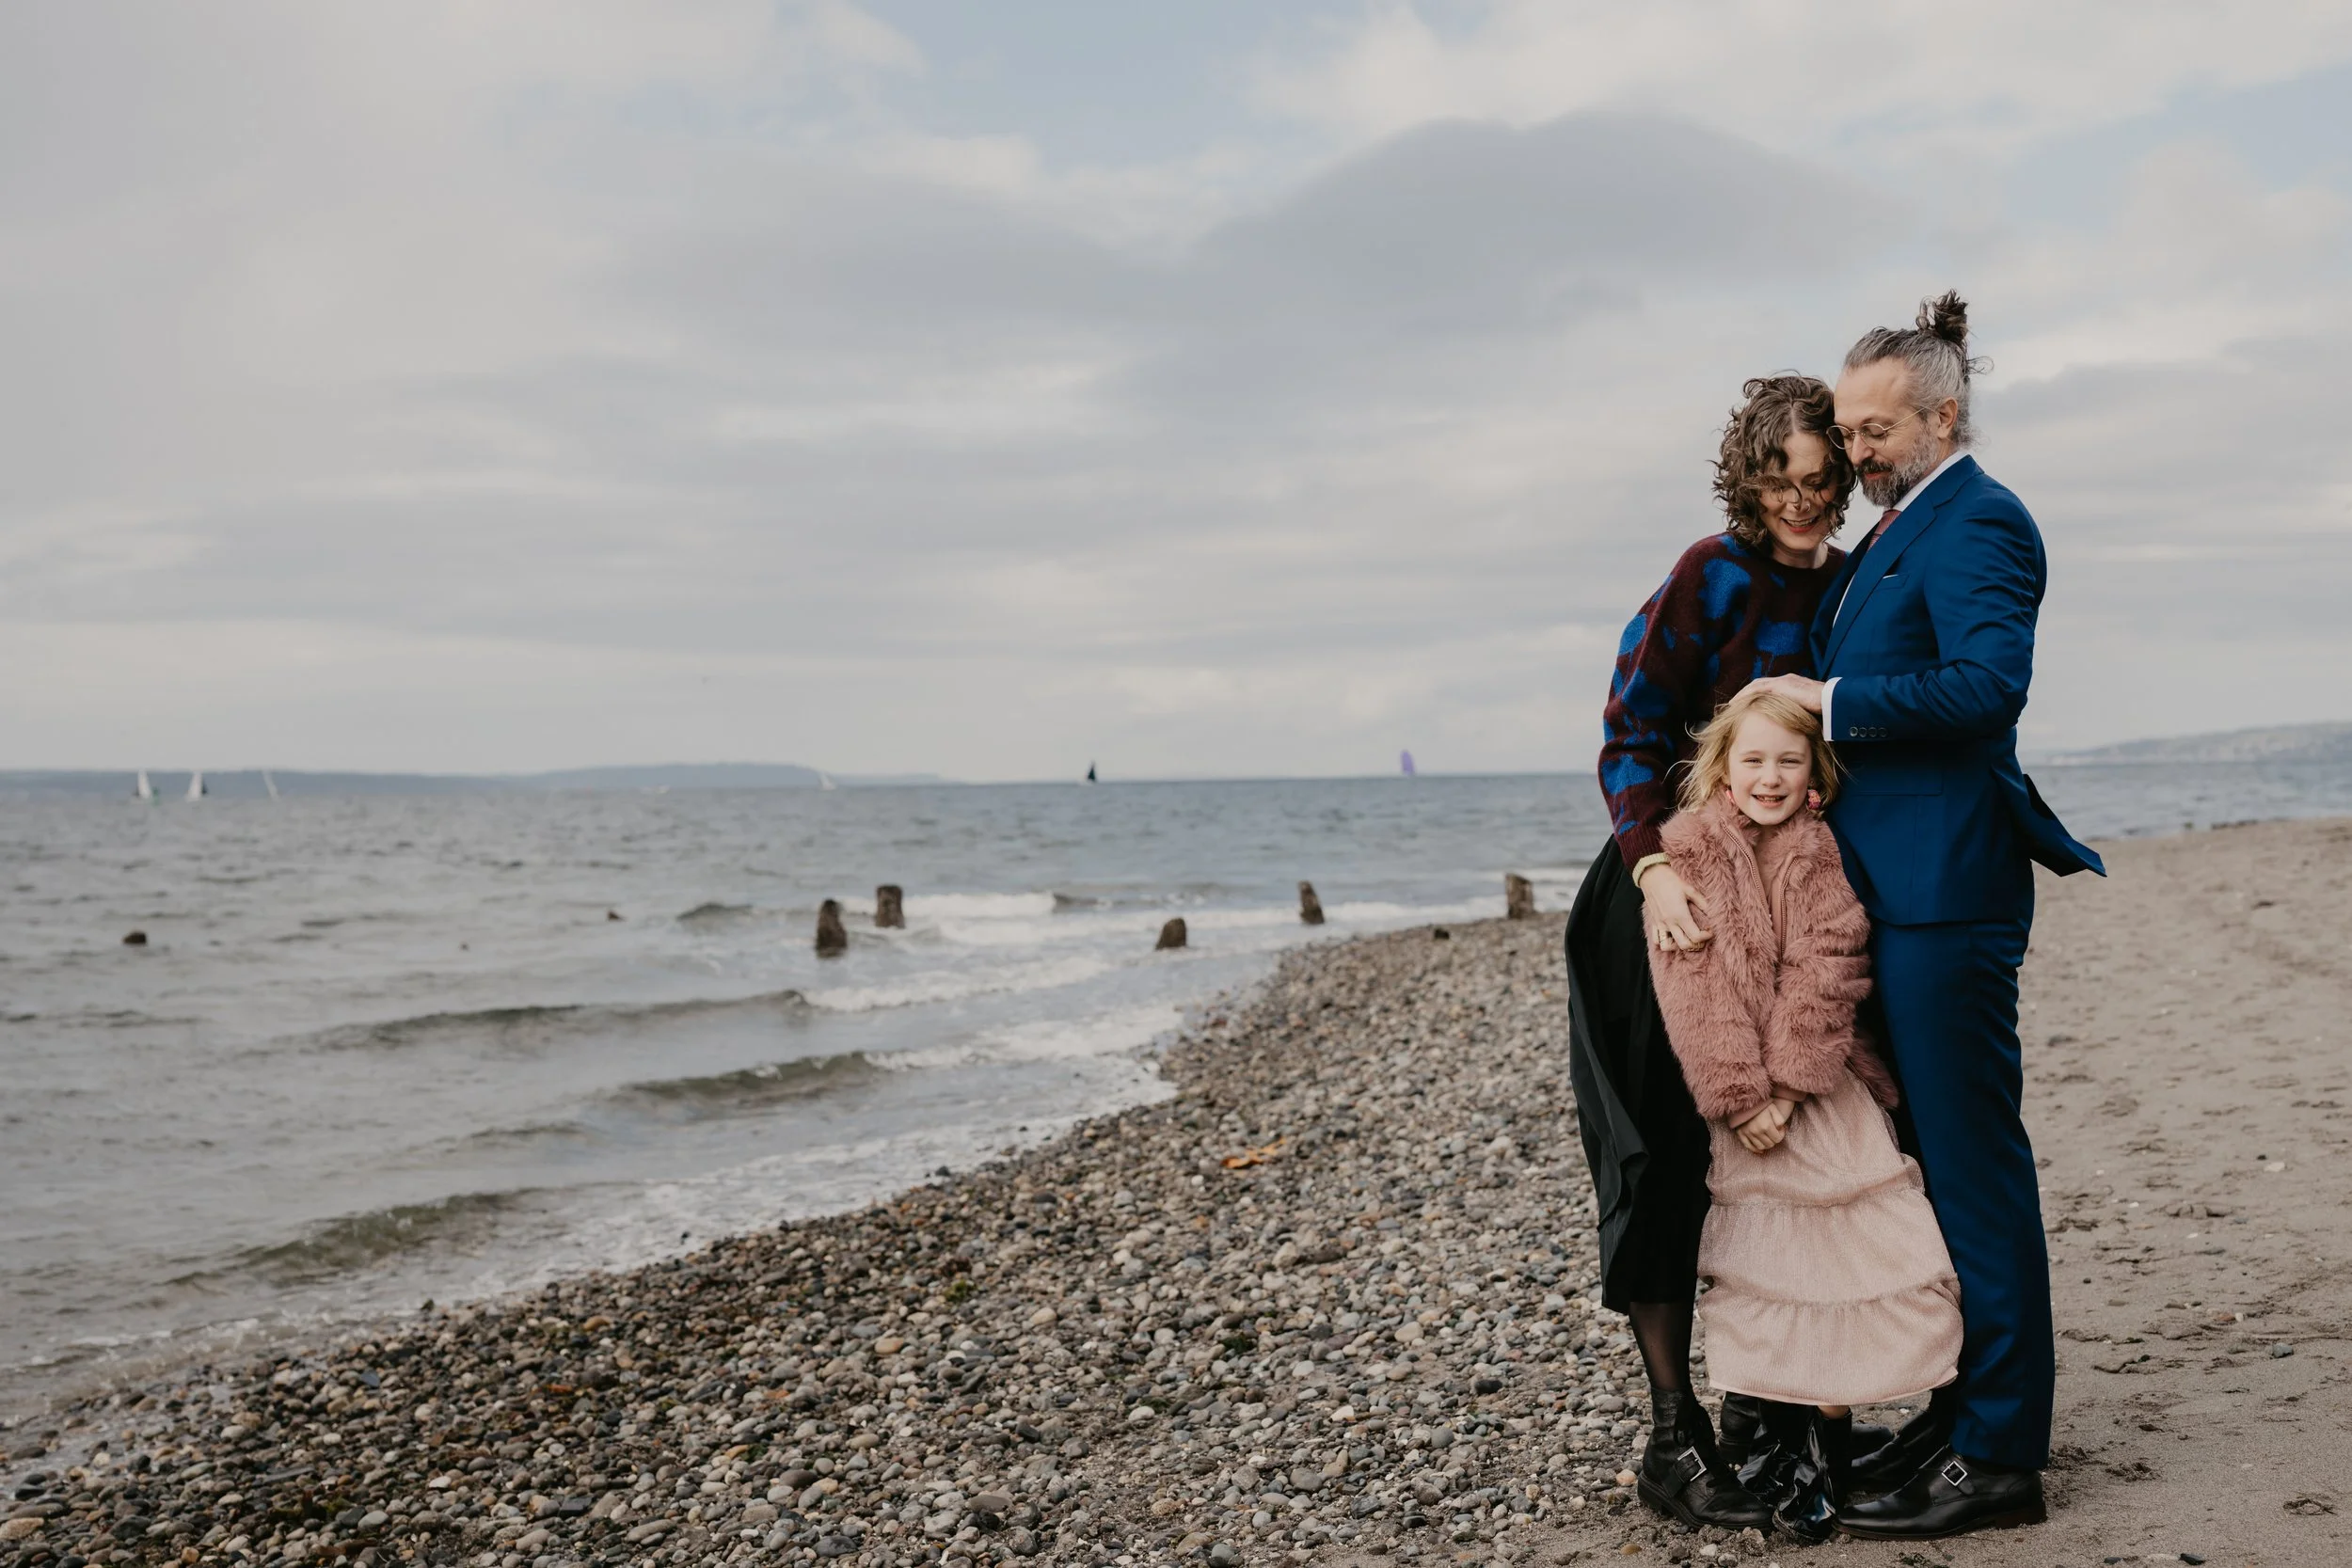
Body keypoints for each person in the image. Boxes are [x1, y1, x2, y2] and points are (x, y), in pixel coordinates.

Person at [1745, 293, 2106, 1540]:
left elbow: (1988, 684)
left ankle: (2003, 1450)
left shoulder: (1981, 520)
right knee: (1932, 1167)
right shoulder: (1907, 526)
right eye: (1846, 429)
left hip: (1947, 895)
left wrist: (1827, 700)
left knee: (1974, 1164)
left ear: (1944, 412)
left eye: (1875, 426)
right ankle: (1961, 1407)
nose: (1856, 450)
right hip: (1891, 895)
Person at [1565, 375, 1853, 1532]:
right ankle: (1673, 1430)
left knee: (1784, 1149)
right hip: (1666, 894)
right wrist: (1653, 871)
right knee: (1660, 1157)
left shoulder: (1849, 584)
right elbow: (1629, 731)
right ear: (1748, 475)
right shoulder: (1708, 573)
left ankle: (1771, 1406)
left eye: (1821, 477)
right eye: (1780, 478)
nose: (1801, 499)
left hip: (1787, 897)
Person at [1645, 687, 1963, 1541]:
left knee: (1853, 1261)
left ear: (1814, 771)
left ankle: (1832, 1441)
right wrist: (1742, 1097)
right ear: (1721, 766)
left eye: (1788, 760)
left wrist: (1787, 1087)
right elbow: (1693, 986)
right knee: (1766, 1275)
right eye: (1752, 759)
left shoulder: (1818, 851)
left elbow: (1830, 966)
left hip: (1820, 1091)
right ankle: (1779, 1440)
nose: (1770, 776)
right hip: (1739, 1103)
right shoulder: (1685, 853)